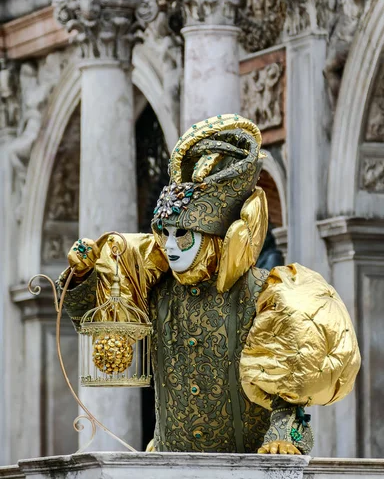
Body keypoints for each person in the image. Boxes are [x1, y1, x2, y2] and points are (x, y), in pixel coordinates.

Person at [59, 113, 360, 455]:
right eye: (165, 235)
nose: (169, 247)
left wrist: (283, 441)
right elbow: (95, 316)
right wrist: (83, 277)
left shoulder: (266, 294)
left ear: (217, 237)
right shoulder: (156, 287)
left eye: (183, 235)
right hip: (168, 466)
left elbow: (288, 402)